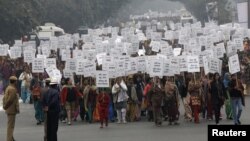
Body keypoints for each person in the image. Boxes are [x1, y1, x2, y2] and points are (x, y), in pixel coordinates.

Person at [3, 76, 20, 141]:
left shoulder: (8, 87)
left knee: (10, 125)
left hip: (9, 109)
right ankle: (9, 139)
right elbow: (10, 100)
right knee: (11, 126)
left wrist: (5, 106)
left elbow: (5, 98)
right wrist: (5, 106)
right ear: (15, 81)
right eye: (16, 81)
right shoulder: (12, 89)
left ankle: (11, 138)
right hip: (11, 109)